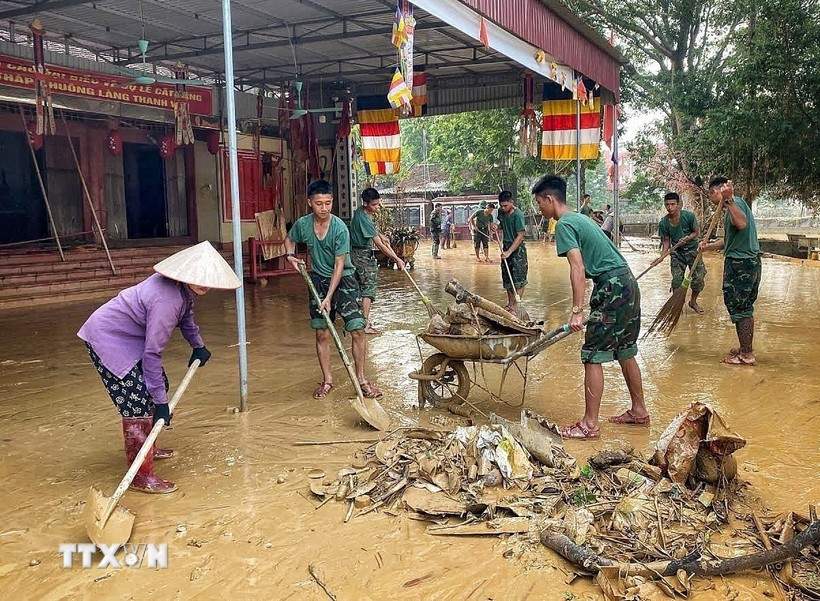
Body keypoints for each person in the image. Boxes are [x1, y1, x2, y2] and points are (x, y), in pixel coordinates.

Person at [78, 241, 241, 493]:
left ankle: (149, 444)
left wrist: (197, 345)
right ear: (185, 273)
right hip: (108, 337)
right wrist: (161, 404)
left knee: (159, 384)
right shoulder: (166, 301)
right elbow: (153, 353)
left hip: (130, 336)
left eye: (207, 279)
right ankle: (140, 475)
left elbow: (186, 318)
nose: (204, 284)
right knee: (137, 402)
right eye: (198, 278)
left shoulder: (183, 291)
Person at [533, 174, 648, 440]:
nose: (541, 209)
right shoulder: (581, 218)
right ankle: (639, 411)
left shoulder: (563, 224)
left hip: (610, 286)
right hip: (627, 282)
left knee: (592, 354)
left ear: (550, 199)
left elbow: (577, 267)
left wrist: (576, 310)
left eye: (540, 203)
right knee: (625, 350)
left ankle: (589, 425)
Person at [285, 179, 382, 399]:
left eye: (328, 203)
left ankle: (361, 379)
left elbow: (340, 265)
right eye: (319, 203)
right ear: (310, 202)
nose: (324, 208)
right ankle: (327, 380)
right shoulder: (303, 224)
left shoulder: (340, 228)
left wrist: (329, 297)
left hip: (345, 281)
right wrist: (290, 256)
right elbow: (289, 239)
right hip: (317, 281)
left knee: (357, 329)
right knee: (321, 333)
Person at [698, 177, 761, 366]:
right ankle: (745, 348)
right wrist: (707, 246)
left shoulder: (735, 204)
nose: (711, 200)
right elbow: (729, 241)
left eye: (711, 196)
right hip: (748, 261)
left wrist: (730, 200)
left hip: (740, 264)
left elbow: (742, 224)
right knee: (744, 307)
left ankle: (747, 355)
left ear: (715, 192)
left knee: (740, 307)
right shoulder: (731, 210)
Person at [349, 188, 405, 335]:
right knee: (368, 288)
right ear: (366, 203)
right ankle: (365, 324)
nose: (377, 207)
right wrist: (397, 259)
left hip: (356, 254)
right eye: (374, 205)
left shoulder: (360, 212)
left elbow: (372, 231)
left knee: (360, 288)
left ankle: (358, 320)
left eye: (378, 204)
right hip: (361, 255)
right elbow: (379, 245)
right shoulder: (364, 218)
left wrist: (380, 234)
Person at [651, 192, 706, 313]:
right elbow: (666, 242)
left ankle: (693, 302)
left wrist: (687, 238)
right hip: (677, 253)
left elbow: (696, 233)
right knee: (677, 280)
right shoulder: (664, 223)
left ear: (678, 204)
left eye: (673, 204)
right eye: (667, 205)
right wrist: (661, 257)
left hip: (693, 251)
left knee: (698, 278)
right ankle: (678, 304)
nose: (670, 207)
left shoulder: (689, 216)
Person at [496, 191, 528, 313]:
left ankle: (516, 306)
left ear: (511, 202)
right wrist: (496, 227)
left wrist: (509, 252)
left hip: (517, 249)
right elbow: (502, 225)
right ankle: (510, 304)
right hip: (506, 247)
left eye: (506, 206)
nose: (503, 208)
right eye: (501, 206)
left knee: (519, 279)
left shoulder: (518, 215)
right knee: (507, 278)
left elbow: (520, 236)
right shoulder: (501, 212)